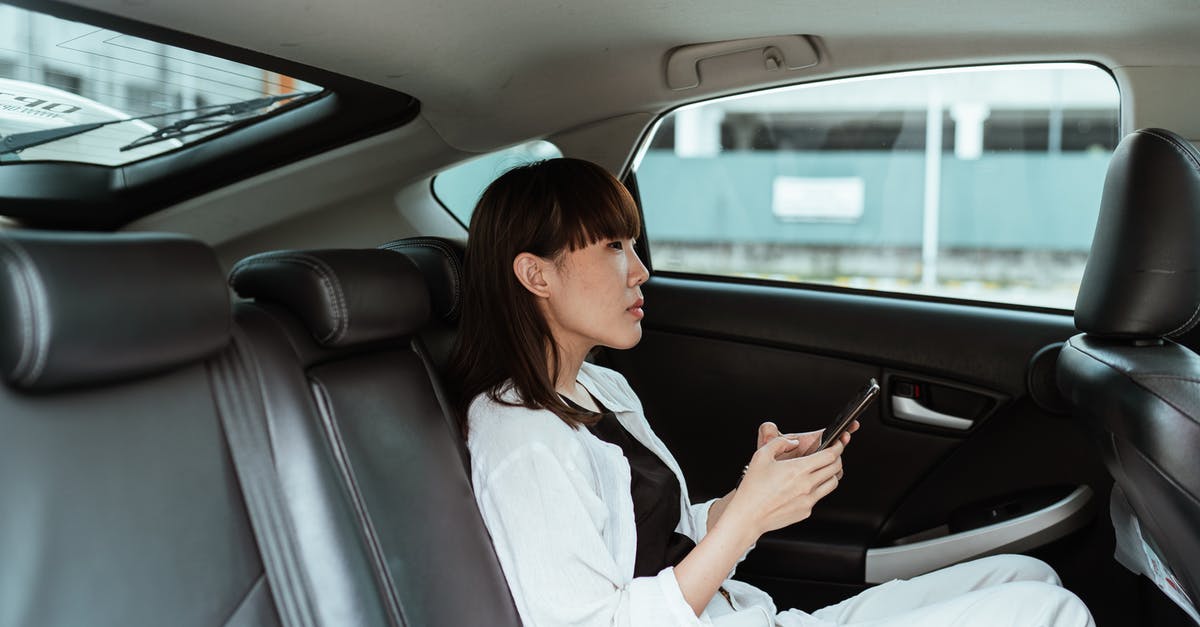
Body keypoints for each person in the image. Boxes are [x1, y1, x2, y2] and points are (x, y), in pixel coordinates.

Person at [447, 157, 1095, 626]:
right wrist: (751, 517)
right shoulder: (522, 439)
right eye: (615, 246)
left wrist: (752, 494)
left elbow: (664, 541)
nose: (640, 269)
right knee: (1051, 612)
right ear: (536, 273)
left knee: (1028, 575)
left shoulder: (600, 385)